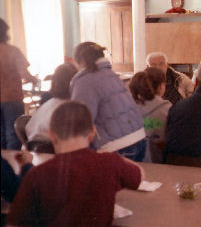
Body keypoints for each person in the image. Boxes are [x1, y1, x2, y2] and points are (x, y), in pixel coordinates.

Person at [7, 101, 144, 227]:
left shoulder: (37, 175)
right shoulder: (109, 163)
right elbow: (139, 176)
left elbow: (15, 223)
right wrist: (114, 158)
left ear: (52, 135)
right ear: (92, 133)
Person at [71, 42, 146, 161]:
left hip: (117, 145)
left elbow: (81, 120)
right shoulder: (111, 74)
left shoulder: (85, 82)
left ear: (81, 61)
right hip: (139, 137)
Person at [0, 18, 38, 149]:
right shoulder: (13, 51)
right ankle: (13, 167)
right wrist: (33, 79)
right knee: (13, 136)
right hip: (12, 98)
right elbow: (24, 74)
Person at [26, 63, 78, 145]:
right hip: (52, 149)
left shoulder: (48, 102)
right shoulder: (68, 108)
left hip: (32, 146)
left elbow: (28, 128)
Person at [129, 67, 172, 163]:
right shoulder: (167, 109)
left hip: (130, 162)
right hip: (158, 163)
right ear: (161, 86)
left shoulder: (126, 108)